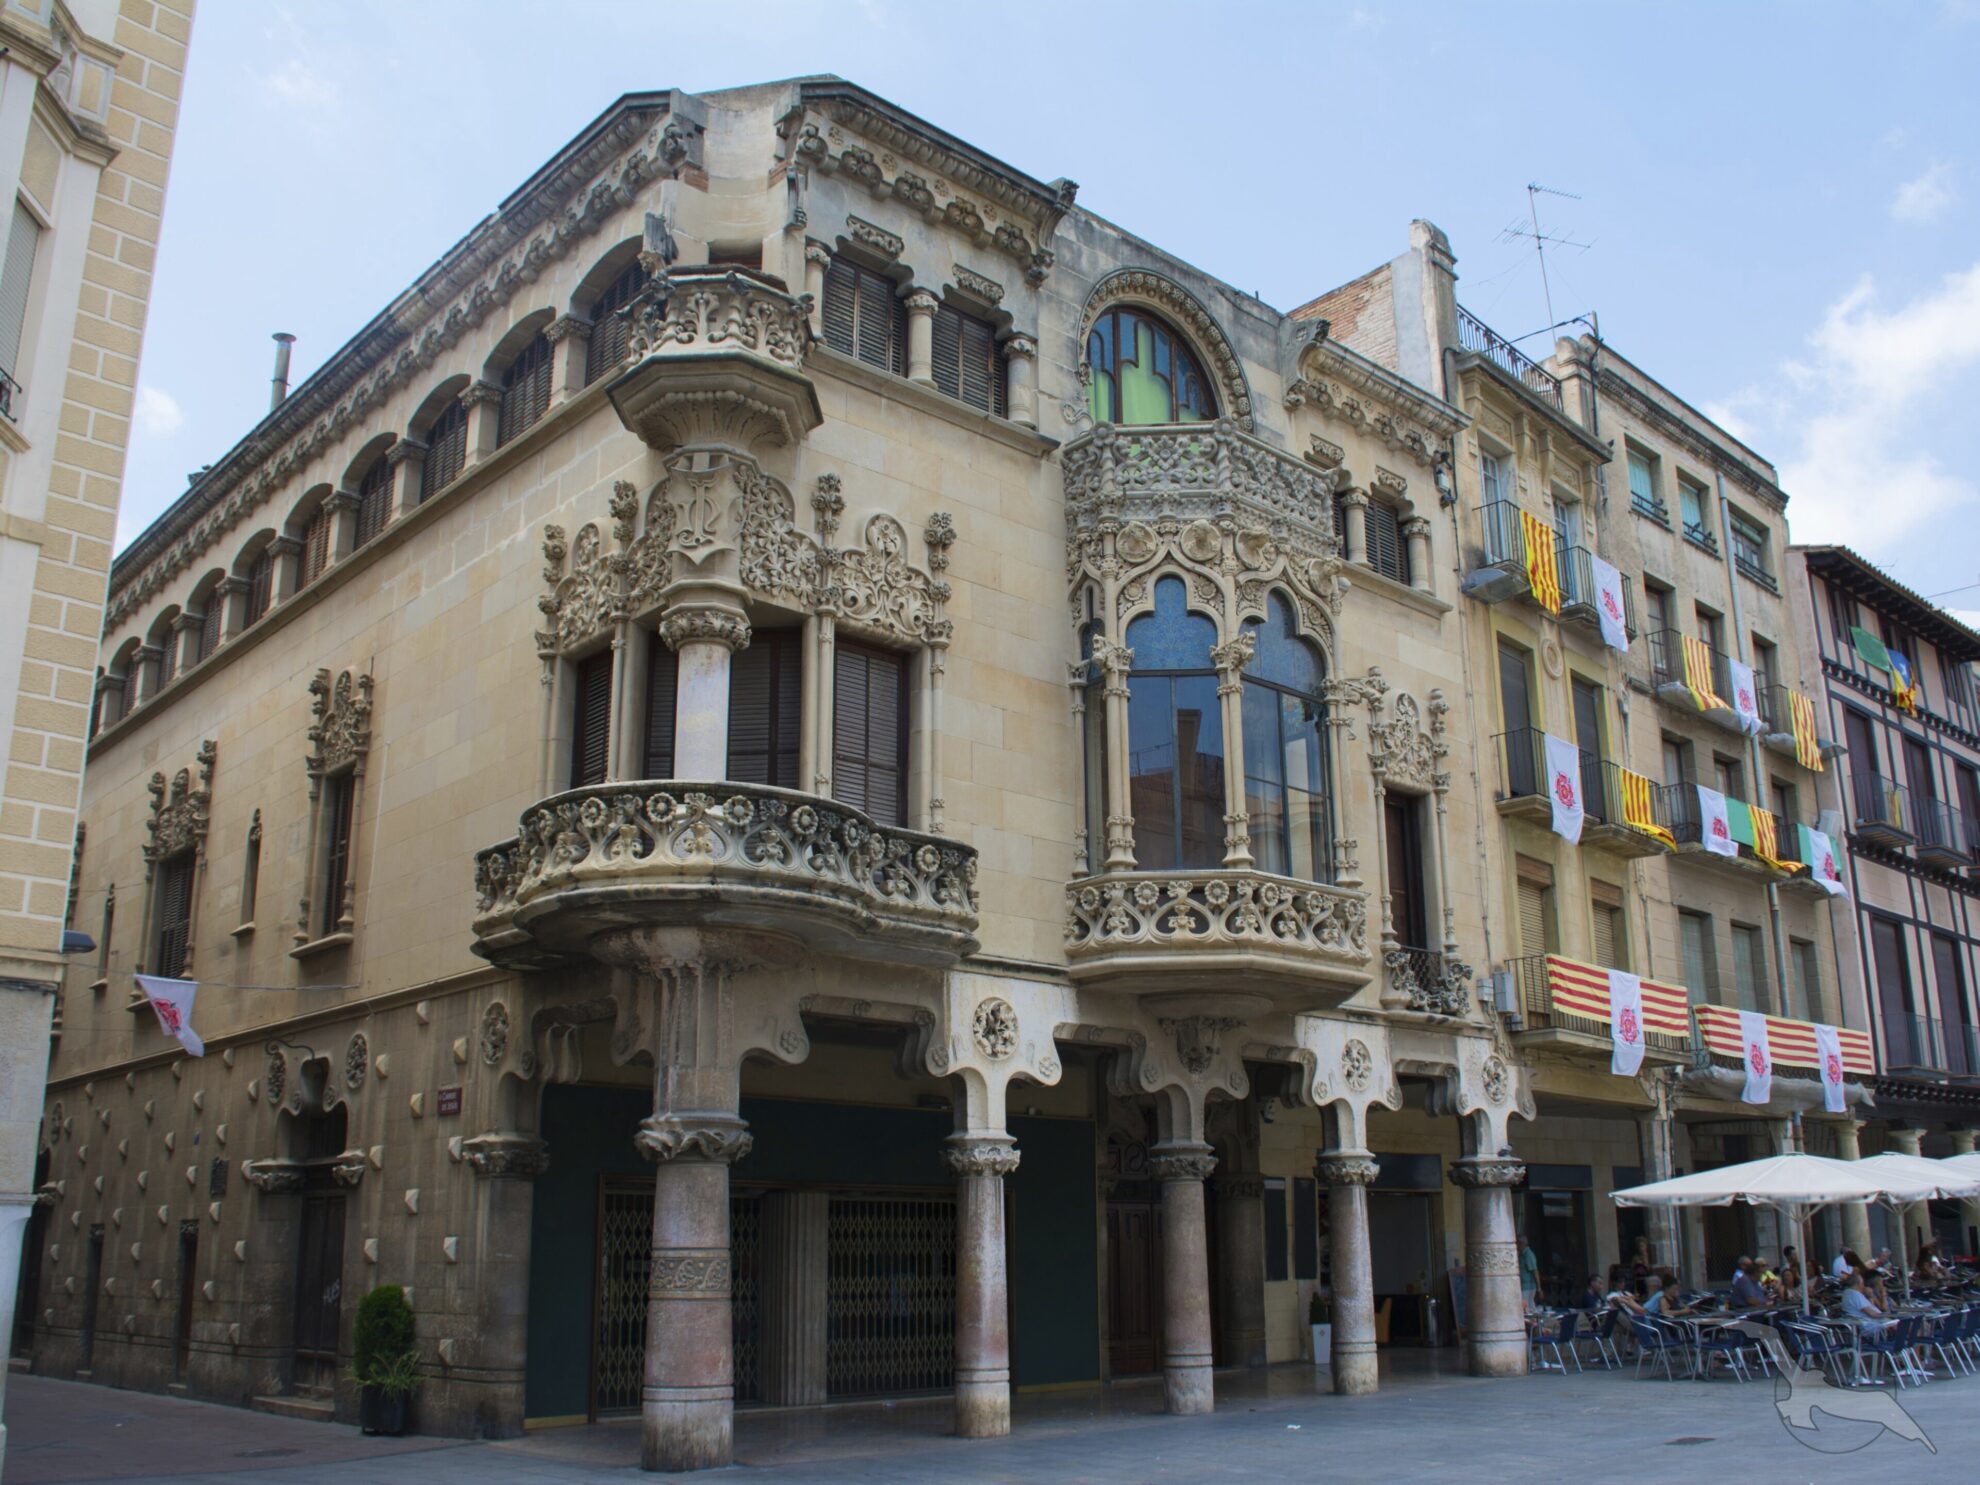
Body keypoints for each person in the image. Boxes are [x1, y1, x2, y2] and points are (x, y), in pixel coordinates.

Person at [1839, 1270, 1894, 1335]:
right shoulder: (1854, 1294)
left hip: (1872, 1321)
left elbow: (1871, 1308)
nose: (1863, 1285)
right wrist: (1885, 1315)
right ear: (1859, 1284)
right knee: (1899, 1324)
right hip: (1868, 1323)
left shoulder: (1850, 1293)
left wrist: (1870, 1297)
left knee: (1897, 1323)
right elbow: (1871, 1313)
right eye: (1862, 1283)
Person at [1518, 1240, 1539, 1311]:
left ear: (1522, 1244)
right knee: (1528, 1307)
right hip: (1524, 1286)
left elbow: (1535, 1271)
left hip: (1528, 1287)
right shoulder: (1522, 1254)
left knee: (1526, 1307)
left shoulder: (1528, 1254)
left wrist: (1539, 1287)